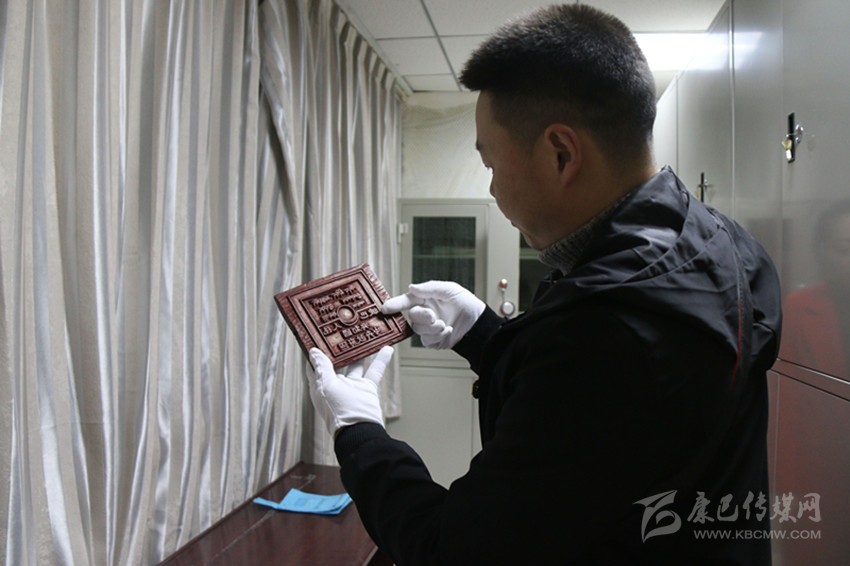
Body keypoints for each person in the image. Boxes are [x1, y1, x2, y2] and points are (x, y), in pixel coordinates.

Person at [306, 4, 781, 564]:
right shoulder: (719, 240)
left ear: (561, 154)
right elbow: (599, 424)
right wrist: (485, 334)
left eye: (492, 165)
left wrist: (358, 430)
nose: (492, 190)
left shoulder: (604, 330)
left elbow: (450, 550)